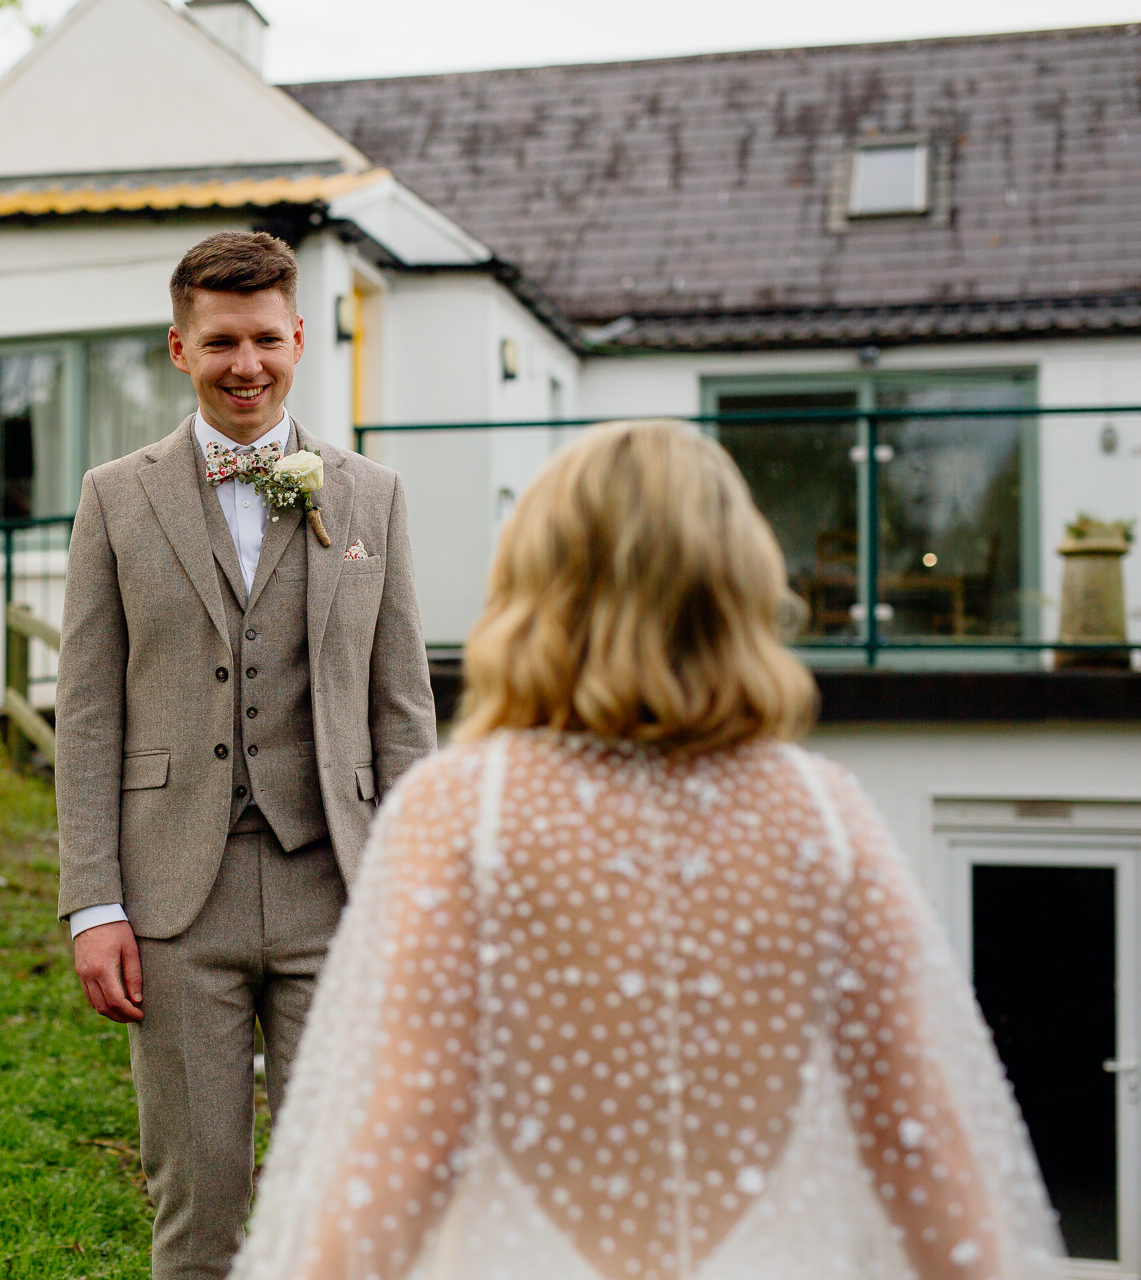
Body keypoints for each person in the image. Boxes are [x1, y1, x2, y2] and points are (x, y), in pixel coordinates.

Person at [232, 420, 1064, 1280]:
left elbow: (403, 1147)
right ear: (738, 583)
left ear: (536, 578)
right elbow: (921, 1146)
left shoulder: (463, 813)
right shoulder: (826, 817)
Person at [55, 230, 438, 1280]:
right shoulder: (114, 496)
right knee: (198, 1196)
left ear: (301, 338)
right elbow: (86, 712)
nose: (247, 364)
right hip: (175, 897)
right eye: (221, 341)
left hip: (338, 887)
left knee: (345, 1194)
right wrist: (94, 902)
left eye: (267, 337)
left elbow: (402, 709)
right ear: (180, 347)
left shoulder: (373, 494)